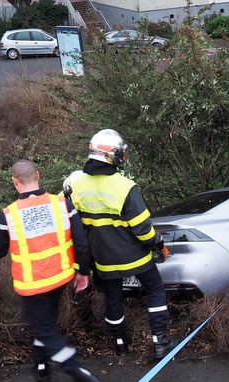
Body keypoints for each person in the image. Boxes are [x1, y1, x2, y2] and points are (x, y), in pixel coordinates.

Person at [0, 160, 100, 382]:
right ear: (38, 175)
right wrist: (82, 272)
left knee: (44, 330)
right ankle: (41, 366)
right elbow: (82, 243)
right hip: (60, 278)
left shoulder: (8, 214)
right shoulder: (61, 204)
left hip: (32, 284)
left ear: (14, 181)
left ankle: (80, 374)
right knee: (45, 324)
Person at [67, 129, 175, 360]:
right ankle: (160, 344)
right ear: (112, 155)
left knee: (113, 299)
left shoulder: (75, 185)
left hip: (103, 261)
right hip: (137, 258)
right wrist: (159, 245)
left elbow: (70, 223)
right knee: (155, 289)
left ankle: (120, 345)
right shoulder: (125, 187)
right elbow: (143, 230)